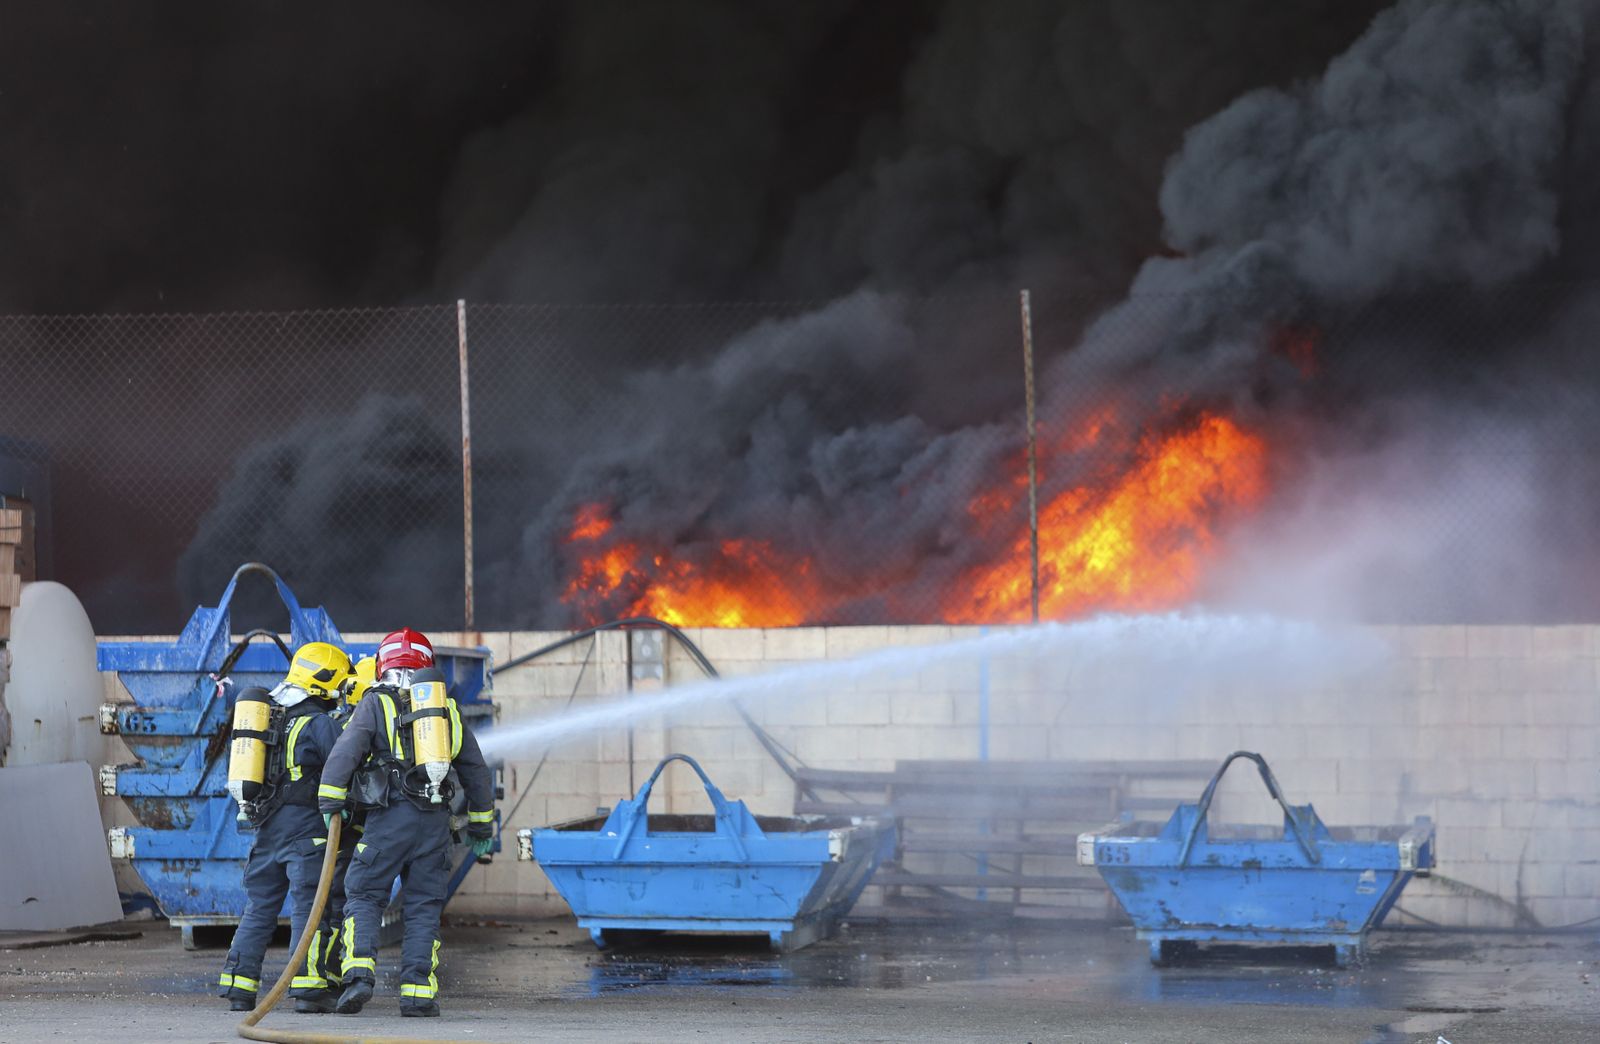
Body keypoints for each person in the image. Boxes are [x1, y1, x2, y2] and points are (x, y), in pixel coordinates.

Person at [317, 628, 495, 1018]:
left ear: (384, 664)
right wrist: (482, 827)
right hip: (435, 825)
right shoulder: (445, 708)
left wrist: (331, 799)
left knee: (363, 892)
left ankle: (358, 977)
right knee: (424, 907)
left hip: (388, 821)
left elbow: (345, 751)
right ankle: (417, 994)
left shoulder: (374, 703)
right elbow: (477, 772)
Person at [217, 641, 351, 1015]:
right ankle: (308, 991)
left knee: (259, 907)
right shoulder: (319, 723)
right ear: (323, 682)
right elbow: (345, 762)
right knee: (310, 910)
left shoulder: (269, 717)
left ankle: (238, 988)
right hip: (305, 832)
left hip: (267, 830)